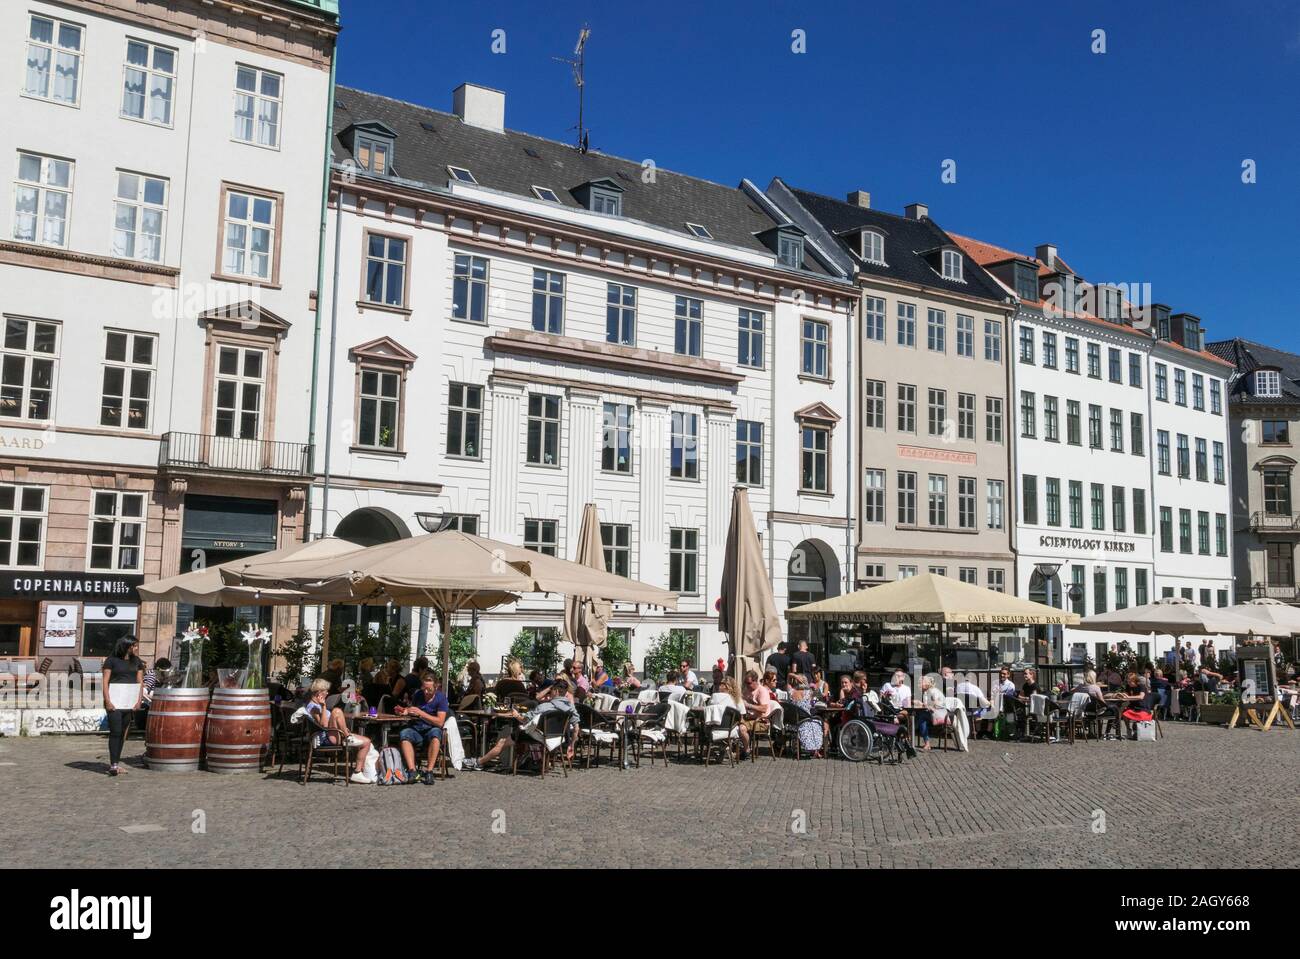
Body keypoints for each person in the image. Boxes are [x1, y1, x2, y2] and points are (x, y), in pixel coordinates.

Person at [465, 678, 578, 770]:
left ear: (556, 691)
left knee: (503, 741)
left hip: (538, 737)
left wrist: (516, 714)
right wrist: (571, 745)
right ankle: (520, 761)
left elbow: (524, 720)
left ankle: (479, 762)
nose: (550, 692)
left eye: (551, 690)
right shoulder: (571, 708)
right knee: (518, 734)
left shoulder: (545, 706)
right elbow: (576, 728)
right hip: (557, 738)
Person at [304, 678, 372, 783]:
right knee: (336, 711)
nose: (327, 693)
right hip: (326, 738)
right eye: (326, 691)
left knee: (366, 742)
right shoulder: (313, 707)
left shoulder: (316, 705)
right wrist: (324, 706)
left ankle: (358, 772)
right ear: (319, 692)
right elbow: (324, 725)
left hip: (334, 734)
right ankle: (348, 737)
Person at [101, 636, 144, 777]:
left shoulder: (136, 661)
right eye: (134, 646)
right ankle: (113, 765)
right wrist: (107, 700)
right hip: (114, 700)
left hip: (129, 701)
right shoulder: (111, 660)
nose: (136, 648)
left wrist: (138, 701)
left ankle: (116, 763)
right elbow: (105, 681)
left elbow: (140, 682)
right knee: (116, 731)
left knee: (123, 733)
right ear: (127, 646)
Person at [396, 672, 448, 784]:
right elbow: (414, 711)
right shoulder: (418, 695)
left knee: (436, 734)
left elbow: (440, 722)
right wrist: (406, 711)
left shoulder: (441, 698)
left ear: (436, 686)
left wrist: (421, 713)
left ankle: (429, 771)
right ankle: (412, 771)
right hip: (417, 728)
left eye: (429, 689)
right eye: (424, 688)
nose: (425, 692)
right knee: (405, 733)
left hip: (431, 728)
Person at [740, 669, 777, 760]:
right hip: (749, 718)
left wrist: (749, 705)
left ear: (755, 681)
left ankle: (747, 749)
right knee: (732, 723)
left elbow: (763, 709)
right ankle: (730, 749)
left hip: (761, 721)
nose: (747, 685)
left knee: (741, 728)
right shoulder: (746, 689)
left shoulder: (762, 691)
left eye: (748, 683)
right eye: (745, 683)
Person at [788, 674, 825, 757]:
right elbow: (819, 696)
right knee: (817, 723)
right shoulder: (809, 693)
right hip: (804, 721)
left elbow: (788, 677)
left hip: (793, 722)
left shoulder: (791, 692)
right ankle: (815, 750)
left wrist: (794, 676)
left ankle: (813, 750)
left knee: (812, 724)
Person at [913, 674, 947, 751]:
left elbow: (935, 704)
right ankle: (925, 742)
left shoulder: (933, 691)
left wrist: (922, 704)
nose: (918, 685)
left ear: (927, 683)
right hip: (933, 713)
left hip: (941, 714)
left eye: (920, 683)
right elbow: (928, 706)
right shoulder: (926, 692)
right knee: (920, 716)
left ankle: (925, 742)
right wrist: (921, 704)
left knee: (921, 717)